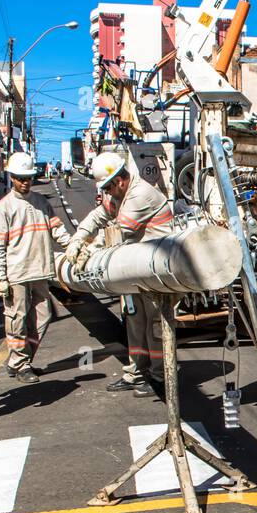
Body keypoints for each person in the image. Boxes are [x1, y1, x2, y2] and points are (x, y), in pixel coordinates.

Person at [64, 151, 174, 398]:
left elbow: (120, 233)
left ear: (119, 181)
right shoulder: (121, 195)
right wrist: (78, 238)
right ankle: (136, 371)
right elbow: (99, 215)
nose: (107, 192)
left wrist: (90, 250)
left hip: (156, 272)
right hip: (135, 270)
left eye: (108, 187)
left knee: (155, 325)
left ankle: (159, 375)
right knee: (135, 322)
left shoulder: (139, 195)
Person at [0, 152, 72, 384]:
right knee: (17, 321)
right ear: (12, 178)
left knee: (42, 318)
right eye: (20, 178)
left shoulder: (41, 203)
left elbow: (58, 232)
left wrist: (75, 247)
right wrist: (0, 278)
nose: (25, 182)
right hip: (17, 273)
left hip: (40, 271)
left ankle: (21, 358)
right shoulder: (3, 207)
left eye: (28, 177)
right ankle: (21, 364)